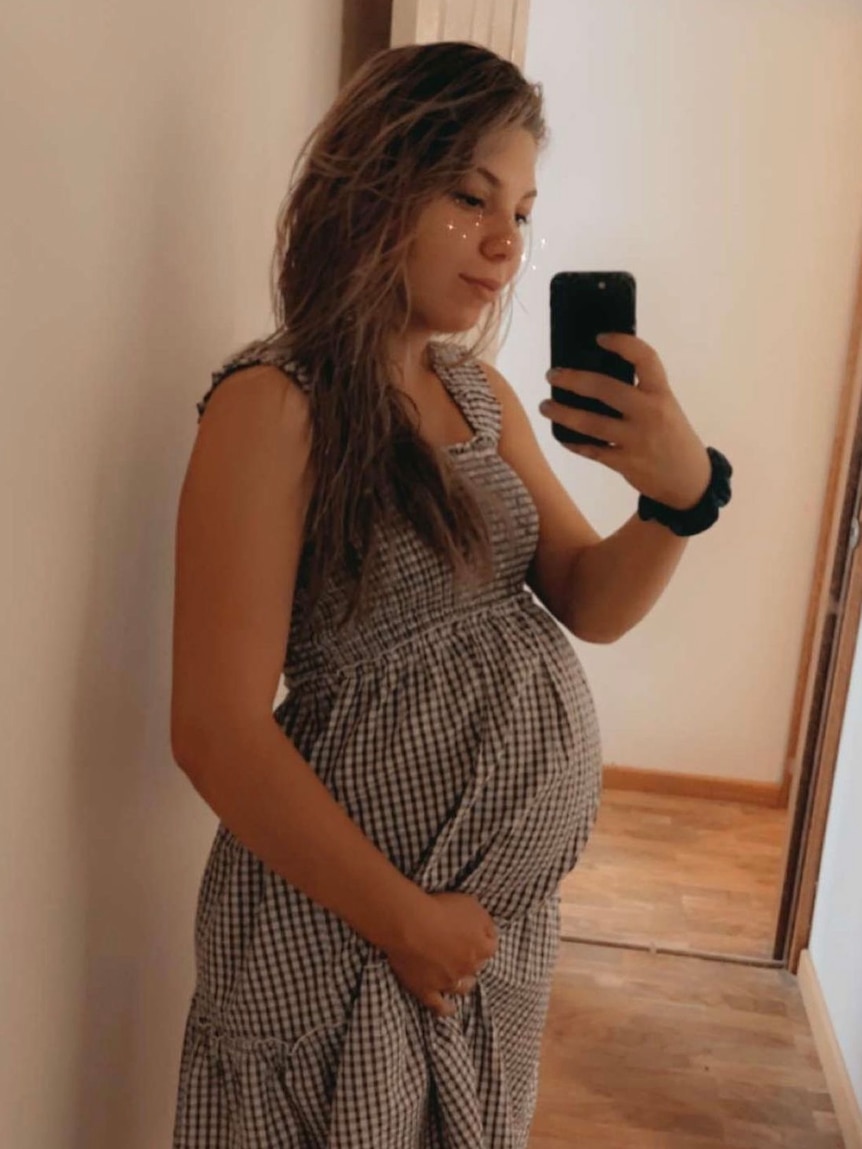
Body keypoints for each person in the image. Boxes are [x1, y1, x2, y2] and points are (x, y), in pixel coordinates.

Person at [169, 40, 731, 1149]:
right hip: (340, 934)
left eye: (521, 211)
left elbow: (587, 598)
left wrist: (679, 499)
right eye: (470, 198)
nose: (504, 245)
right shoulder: (273, 406)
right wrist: (406, 921)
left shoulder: (476, 394)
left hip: (476, 942)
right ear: (372, 183)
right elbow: (215, 732)